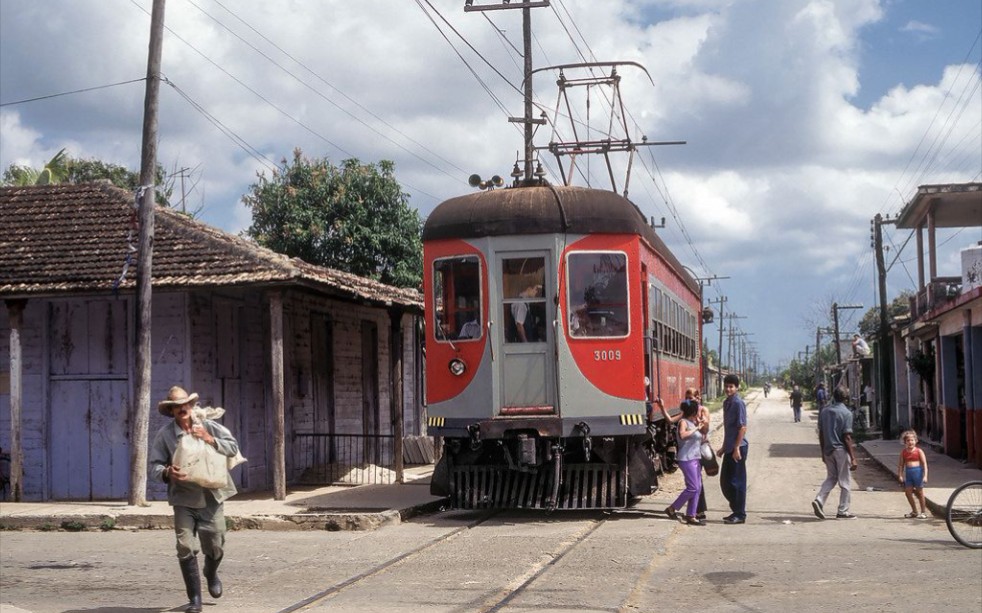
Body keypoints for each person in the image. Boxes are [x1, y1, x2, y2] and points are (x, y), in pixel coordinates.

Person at [150, 386, 240, 613]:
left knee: (215, 543)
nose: (182, 409)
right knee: (184, 545)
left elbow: (233, 448)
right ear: (171, 411)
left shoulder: (209, 425)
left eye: (185, 405)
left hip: (211, 495)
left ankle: (210, 572)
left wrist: (209, 439)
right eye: (176, 407)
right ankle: (195, 599)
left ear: (191, 406)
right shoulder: (165, 435)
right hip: (183, 498)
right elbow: (154, 466)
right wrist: (168, 472)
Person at [662, 388, 711, 520]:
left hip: (695, 457)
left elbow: (704, 433)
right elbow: (683, 435)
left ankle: (691, 514)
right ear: (693, 412)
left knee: (698, 487)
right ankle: (672, 508)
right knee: (693, 487)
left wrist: (702, 427)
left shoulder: (697, 418)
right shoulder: (683, 422)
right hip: (686, 459)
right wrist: (696, 428)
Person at [811, 386, 858, 520]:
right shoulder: (847, 413)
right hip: (840, 450)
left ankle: (819, 499)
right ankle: (843, 511)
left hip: (828, 449)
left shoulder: (825, 411)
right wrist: (853, 458)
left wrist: (822, 451)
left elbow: (821, 433)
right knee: (845, 481)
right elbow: (847, 437)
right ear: (845, 397)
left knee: (831, 477)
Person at [717, 374, 748, 524]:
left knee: (737, 482)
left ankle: (740, 514)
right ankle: (735, 509)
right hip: (729, 447)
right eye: (726, 386)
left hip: (738, 447)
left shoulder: (738, 403)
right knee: (725, 481)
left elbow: (742, 428)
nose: (728, 389)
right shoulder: (726, 403)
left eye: (731, 386)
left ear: (737, 387)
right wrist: (724, 447)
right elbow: (728, 430)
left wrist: (736, 448)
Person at [897, 430, 929, 519]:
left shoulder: (919, 451)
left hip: (918, 473)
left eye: (912, 440)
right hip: (909, 474)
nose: (910, 442)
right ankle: (914, 511)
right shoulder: (903, 452)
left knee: (920, 493)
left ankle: (923, 512)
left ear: (916, 441)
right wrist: (900, 475)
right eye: (908, 440)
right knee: (908, 493)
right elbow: (901, 465)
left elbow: (924, 464)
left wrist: (925, 476)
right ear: (905, 442)